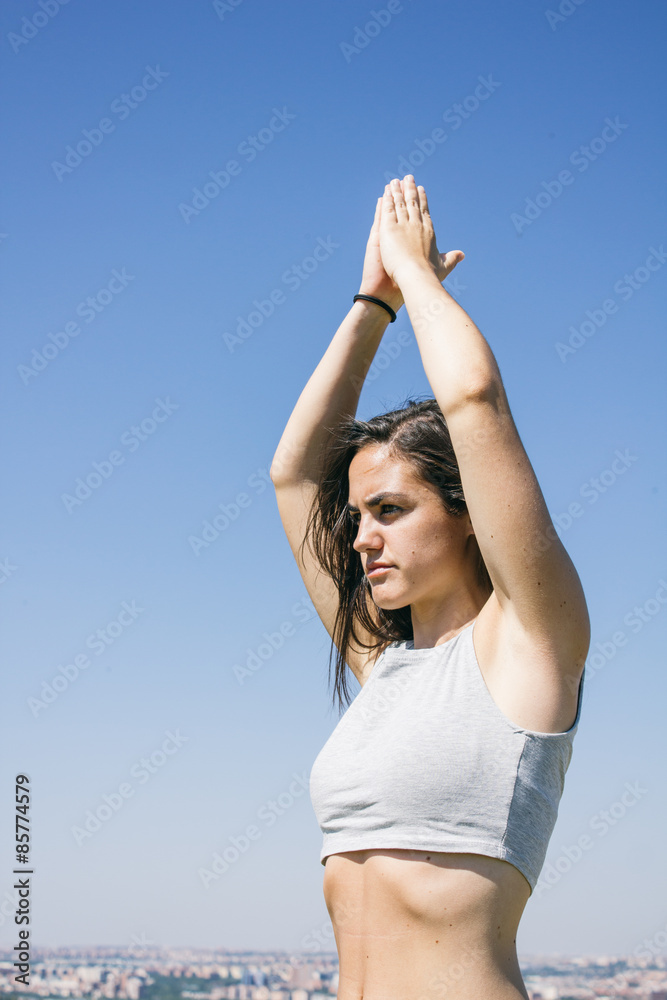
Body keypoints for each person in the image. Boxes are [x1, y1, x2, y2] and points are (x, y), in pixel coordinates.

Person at [270, 175, 590, 999]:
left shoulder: (529, 643)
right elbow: (294, 476)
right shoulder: (384, 664)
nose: (359, 536)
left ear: (468, 514)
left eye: (389, 509)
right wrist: (369, 303)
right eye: (356, 515)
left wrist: (414, 278)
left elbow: (474, 402)